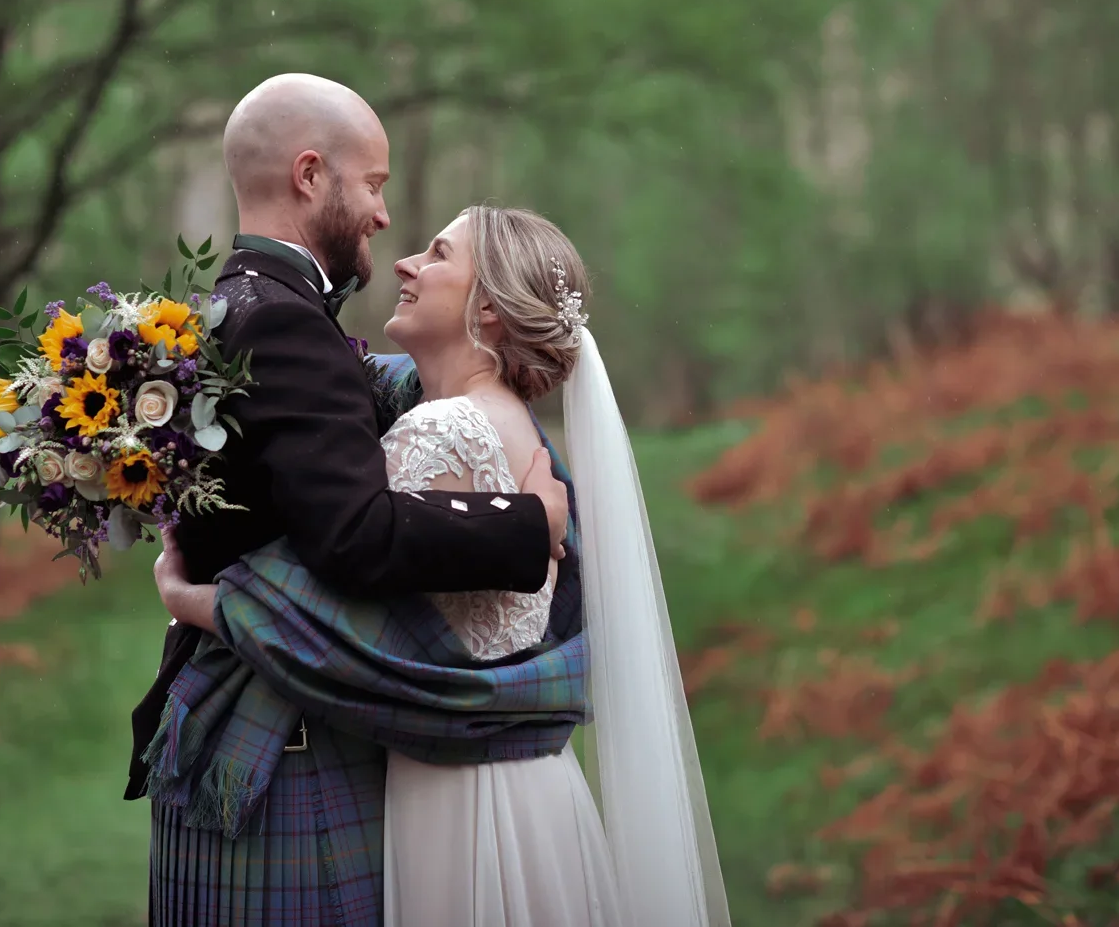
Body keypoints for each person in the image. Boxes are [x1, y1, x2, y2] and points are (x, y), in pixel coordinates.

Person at [157, 206, 731, 926]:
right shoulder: (505, 418)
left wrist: (196, 598)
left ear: (487, 307)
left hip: (464, 802)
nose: (405, 264)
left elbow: (353, 621)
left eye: (435, 254)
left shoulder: (442, 430)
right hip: (530, 788)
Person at [129, 74, 573, 924]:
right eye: (373, 183)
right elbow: (357, 536)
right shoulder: (284, 321)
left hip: (243, 732)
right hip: (278, 755)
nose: (382, 216)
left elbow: (340, 422)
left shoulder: (232, 308)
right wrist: (530, 521)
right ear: (308, 175)